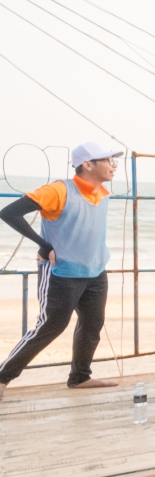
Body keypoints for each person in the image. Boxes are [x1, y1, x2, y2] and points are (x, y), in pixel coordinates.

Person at [0, 141, 123, 399]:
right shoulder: (58, 190)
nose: (114, 165)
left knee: (92, 325)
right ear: (88, 165)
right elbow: (9, 212)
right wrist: (43, 245)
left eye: (115, 160)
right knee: (51, 326)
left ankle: (80, 377)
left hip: (96, 271)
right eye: (108, 160)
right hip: (61, 272)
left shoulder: (102, 192)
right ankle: (3, 377)